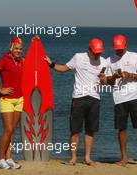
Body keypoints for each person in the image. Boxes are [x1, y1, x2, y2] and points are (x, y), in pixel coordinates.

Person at [45, 38, 107, 166]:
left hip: (95, 98)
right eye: (95, 52)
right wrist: (51, 64)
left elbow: (106, 82)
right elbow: (63, 68)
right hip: (78, 98)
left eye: (99, 53)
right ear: (89, 50)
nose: (97, 55)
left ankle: (87, 158)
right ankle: (73, 158)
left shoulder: (104, 62)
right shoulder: (78, 57)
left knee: (90, 130)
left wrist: (103, 80)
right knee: (75, 130)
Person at [104, 34, 137, 166]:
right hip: (119, 98)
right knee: (121, 128)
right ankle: (124, 158)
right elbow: (108, 82)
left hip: (135, 96)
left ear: (126, 45)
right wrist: (114, 76)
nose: (118, 51)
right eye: (116, 49)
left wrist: (130, 74)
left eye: (121, 48)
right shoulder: (109, 60)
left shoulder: (134, 56)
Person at [0, 37, 24, 169]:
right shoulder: (5, 60)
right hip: (6, 100)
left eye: (20, 49)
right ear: (11, 48)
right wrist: (0, 89)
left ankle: (9, 158)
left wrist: (35, 41)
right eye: (16, 48)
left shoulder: (21, 61)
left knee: (12, 131)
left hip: (20, 100)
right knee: (8, 129)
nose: (18, 51)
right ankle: (0, 160)